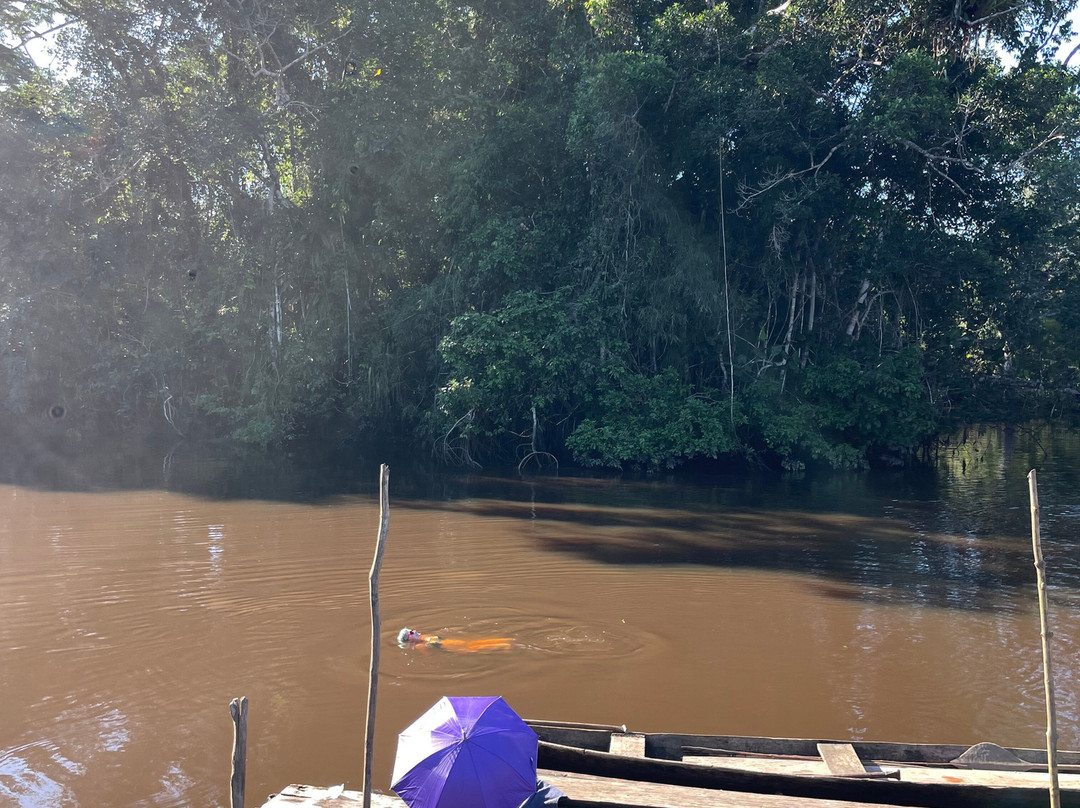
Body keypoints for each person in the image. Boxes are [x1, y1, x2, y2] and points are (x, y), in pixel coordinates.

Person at [396, 627, 513, 652]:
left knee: (473, 644)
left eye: (412, 630)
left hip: (450, 642)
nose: (415, 631)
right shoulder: (419, 645)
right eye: (411, 632)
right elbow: (429, 656)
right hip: (449, 646)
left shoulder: (423, 637)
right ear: (409, 638)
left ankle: (504, 640)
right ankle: (504, 644)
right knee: (473, 648)